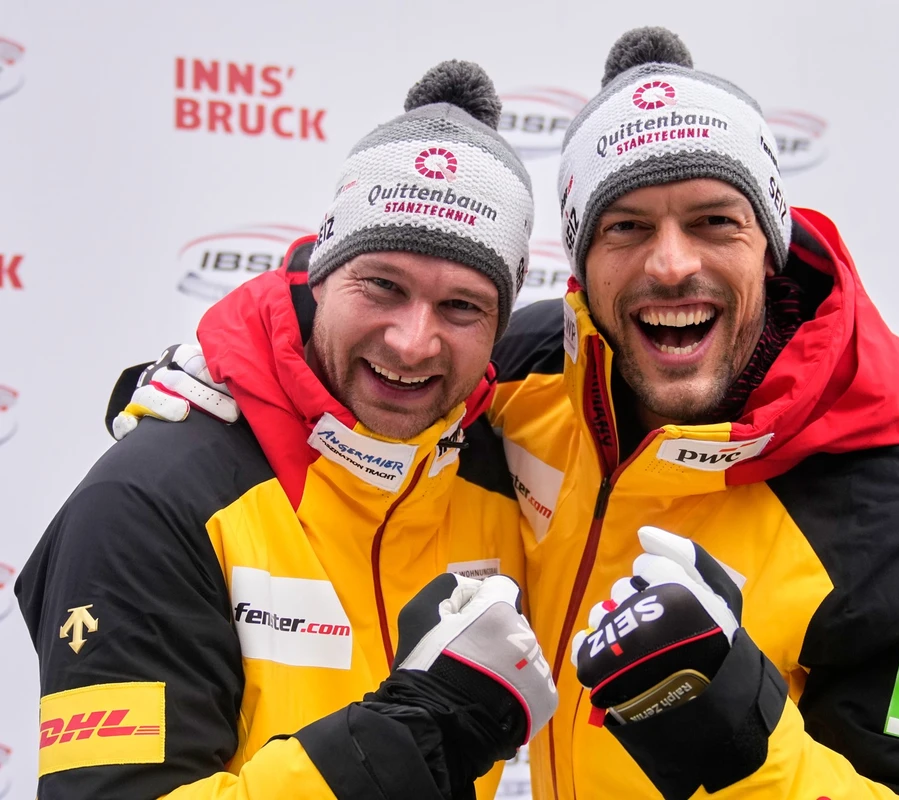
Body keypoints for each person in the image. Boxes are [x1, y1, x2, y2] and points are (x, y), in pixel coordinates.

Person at [101, 27, 899, 800]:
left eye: (712, 221)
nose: (668, 264)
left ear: (768, 246)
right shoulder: (538, 369)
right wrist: (230, 390)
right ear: (581, 264)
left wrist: (747, 738)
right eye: (626, 228)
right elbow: (383, 350)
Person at [16, 61, 556, 800]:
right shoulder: (149, 501)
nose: (412, 342)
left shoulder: (502, 471)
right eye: (383, 286)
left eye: (462, 306)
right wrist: (401, 740)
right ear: (320, 273)